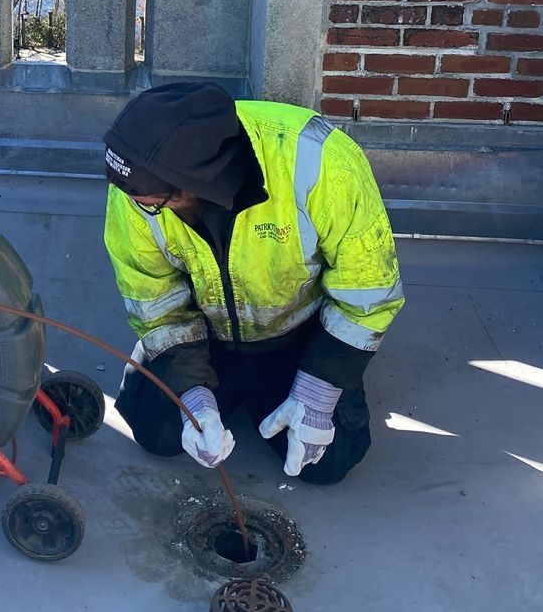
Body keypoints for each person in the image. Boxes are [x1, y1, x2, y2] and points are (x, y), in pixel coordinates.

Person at [103, 82, 403, 482]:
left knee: (328, 462)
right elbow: (153, 299)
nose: (145, 210)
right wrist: (194, 395)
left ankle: (303, 386)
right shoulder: (136, 190)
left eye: (159, 203)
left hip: (298, 334)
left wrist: (318, 392)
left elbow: (369, 292)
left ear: (198, 182)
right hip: (204, 336)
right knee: (157, 432)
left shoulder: (322, 162)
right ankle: (204, 384)